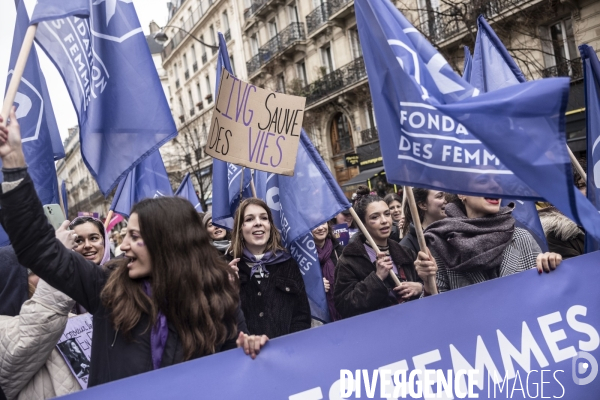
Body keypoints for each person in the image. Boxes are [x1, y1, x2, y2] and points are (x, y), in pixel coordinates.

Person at [0, 107, 267, 387]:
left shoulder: (218, 298)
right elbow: (38, 247)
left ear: (169, 244)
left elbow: (233, 372)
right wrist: (14, 163)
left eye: (136, 237)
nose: (123, 245)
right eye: (125, 235)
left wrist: (249, 351)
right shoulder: (107, 289)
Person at [334, 186, 437, 319]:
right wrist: (376, 278)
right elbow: (344, 306)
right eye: (375, 217)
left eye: (386, 214)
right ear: (363, 224)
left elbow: (429, 294)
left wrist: (420, 287)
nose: (384, 221)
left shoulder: (405, 253)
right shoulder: (349, 260)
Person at [425, 194, 563, 292]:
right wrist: (428, 283)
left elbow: (546, 296)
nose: (493, 188)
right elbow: (436, 313)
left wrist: (550, 267)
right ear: (462, 193)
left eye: (497, 182)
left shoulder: (522, 238)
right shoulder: (443, 244)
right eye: (483, 181)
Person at [0, 245, 81, 400]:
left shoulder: (60, 315)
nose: (45, 275)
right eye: (37, 271)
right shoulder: (5, 326)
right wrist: (59, 264)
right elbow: (37, 327)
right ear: (13, 281)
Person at [228, 198, 311, 338]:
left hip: (287, 352)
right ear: (240, 228)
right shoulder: (227, 267)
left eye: (264, 218)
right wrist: (226, 289)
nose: (258, 223)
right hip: (245, 355)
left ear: (270, 225)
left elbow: (302, 315)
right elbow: (218, 321)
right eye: (249, 219)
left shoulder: (288, 263)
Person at [312, 222, 344, 322]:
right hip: (316, 319)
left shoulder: (340, 251)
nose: (321, 228)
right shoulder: (301, 258)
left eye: (323, 222)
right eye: (315, 224)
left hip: (343, 312)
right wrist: (314, 287)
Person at [400, 188, 447, 256]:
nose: (445, 201)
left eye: (444, 196)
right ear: (423, 205)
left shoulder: (452, 234)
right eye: (439, 196)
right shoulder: (407, 247)